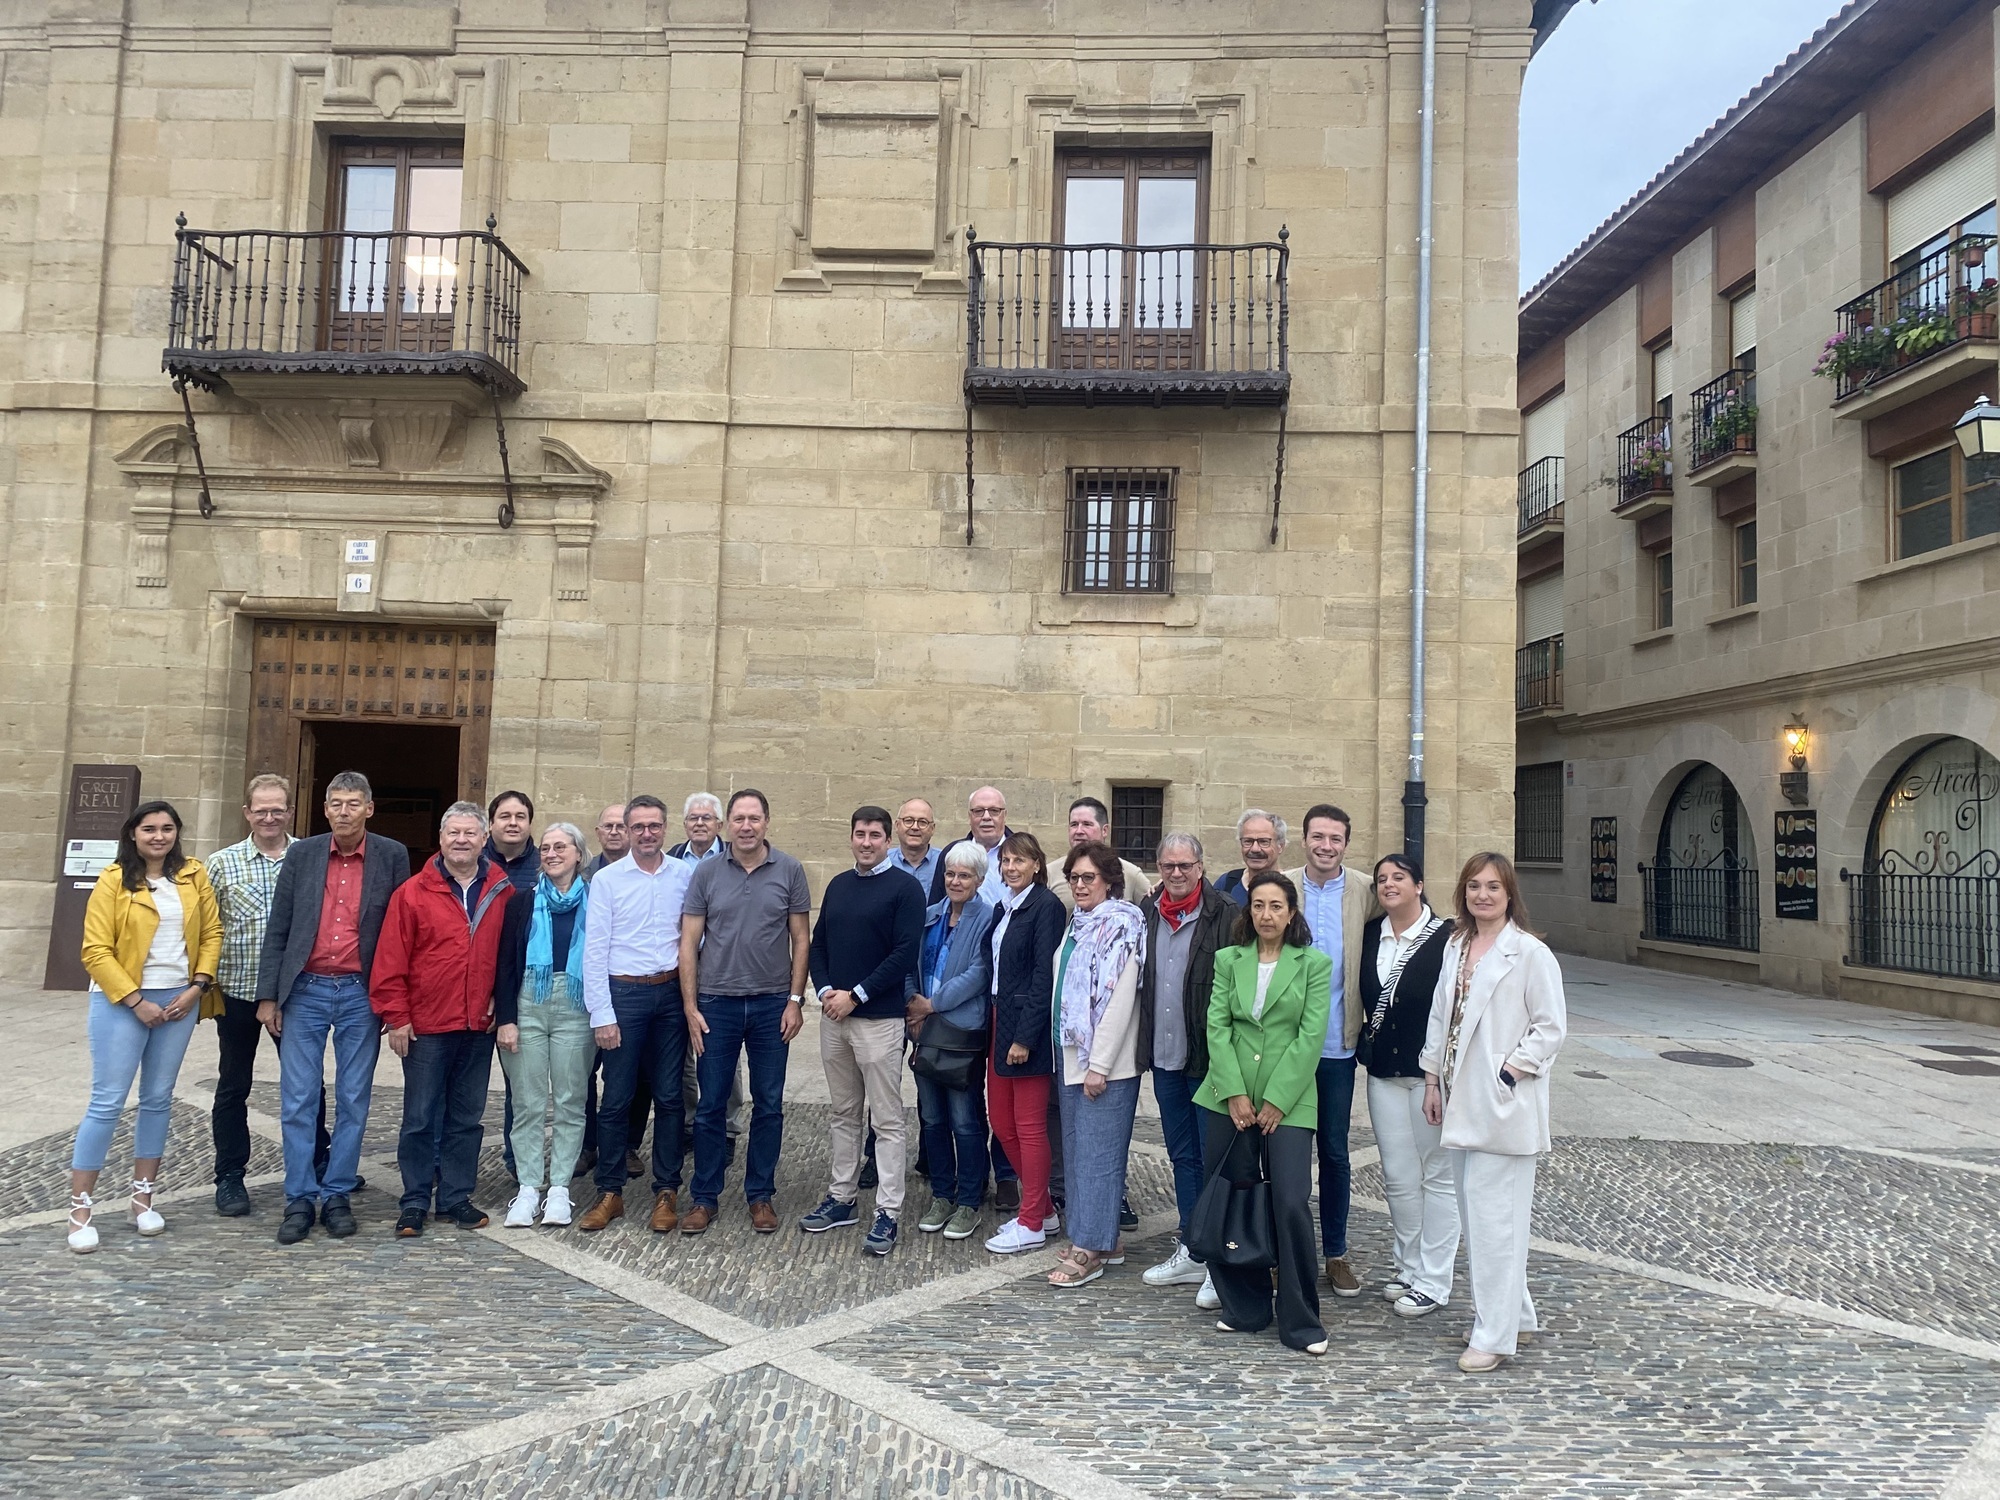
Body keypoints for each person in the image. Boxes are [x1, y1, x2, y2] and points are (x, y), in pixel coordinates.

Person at [1420, 853, 1567, 1374]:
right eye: (1474, 886)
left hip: (1502, 1105)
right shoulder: (1457, 945)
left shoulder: (1529, 953)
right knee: (1479, 1218)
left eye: (1493, 887)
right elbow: (1442, 1015)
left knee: (1495, 1225)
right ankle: (1515, 1315)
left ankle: (1494, 1334)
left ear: (1510, 895)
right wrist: (1433, 1078)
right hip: (1461, 1099)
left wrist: (1511, 1070)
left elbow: (1551, 1027)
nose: (1483, 895)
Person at [257, 771, 411, 1246]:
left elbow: (402, 931)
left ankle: (339, 1192)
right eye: (336, 803)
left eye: (353, 803)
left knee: (353, 1098)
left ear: (369, 808)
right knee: (298, 1098)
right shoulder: (302, 855)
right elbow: (279, 924)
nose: (344, 811)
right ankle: (300, 1196)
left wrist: (395, 1001)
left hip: (360, 994)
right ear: (324, 809)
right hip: (303, 989)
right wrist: (268, 996)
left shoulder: (391, 855)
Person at [67, 801, 223, 1253]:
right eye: (150, 829)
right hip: (122, 1000)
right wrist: (135, 1001)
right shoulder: (113, 880)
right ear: (132, 833)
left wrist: (197, 987)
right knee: (108, 1100)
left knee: (157, 1100)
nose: (159, 836)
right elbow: (95, 950)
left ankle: (143, 1198)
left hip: (179, 999)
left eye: (168, 828)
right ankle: (80, 1207)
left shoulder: (194, 875)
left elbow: (212, 933)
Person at [1194, 871, 1332, 1355]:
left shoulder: (1314, 964)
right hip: (1227, 1096)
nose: (1266, 915)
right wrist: (1233, 1091)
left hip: (1288, 1100)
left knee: (1290, 1201)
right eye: (1258, 906)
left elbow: (1311, 1035)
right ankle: (1245, 1307)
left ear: (1291, 913)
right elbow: (1216, 1024)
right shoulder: (1229, 960)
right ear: (1247, 911)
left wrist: (1276, 1099)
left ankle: (1300, 1319)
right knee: (1233, 1194)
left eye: (1276, 906)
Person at [372, 802, 515, 1237]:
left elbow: (509, 958)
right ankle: (414, 1200)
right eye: (454, 833)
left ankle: (455, 1197)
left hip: (477, 1024)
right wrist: (396, 1017)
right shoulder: (412, 893)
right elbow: (390, 960)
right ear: (440, 838)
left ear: (483, 839)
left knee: (466, 1118)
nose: (461, 840)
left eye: (470, 833)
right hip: (427, 1024)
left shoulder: (502, 890)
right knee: (419, 1116)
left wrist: (501, 1003)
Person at [679, 789, 811, 1235]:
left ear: (767, 822)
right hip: (717, 1003)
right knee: (712, 1103)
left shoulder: (789, 870)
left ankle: (760, 1195)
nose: (746, 826)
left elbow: (801, 939)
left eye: (754, 818)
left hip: (773, 1003)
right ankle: (704, 1196)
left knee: (769, 1104)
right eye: (738, 818)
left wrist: (795, 1000)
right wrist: (690, 1006)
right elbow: (689, 942)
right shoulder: (707, 873)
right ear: (726, 824)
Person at [205, 772, 331, 1218]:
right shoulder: (221, 863)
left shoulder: (310, 857)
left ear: (290, 812)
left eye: (278, 809)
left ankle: (320, 1161)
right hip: (237, 992)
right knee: (233, 1084)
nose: (270, 817)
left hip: (293, 994)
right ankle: (230, 1176)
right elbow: (207, 926)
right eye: (262, 810)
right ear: (248, 813)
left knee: (306, 1084)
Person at [801, 806, 926, 1255]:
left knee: (887, 1120)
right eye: (860, 834)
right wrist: (827, 991)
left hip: (879, 1021)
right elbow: (820, 945)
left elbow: (905, 953)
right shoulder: (838, 885)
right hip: (836, 1019)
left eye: (875, 834)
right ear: (851, 838)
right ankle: (842, 1198)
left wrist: (856, 994)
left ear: (888, 839)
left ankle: (888, 1212)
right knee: (843, 1113)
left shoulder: (906, 889)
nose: (867, 842)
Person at [575, 794, 694, 1233]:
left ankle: (666, 1190)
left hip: (668, 996)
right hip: (622, 995)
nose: (646, 833)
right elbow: (594, 949)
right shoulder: (607, 880)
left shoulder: (683, 876)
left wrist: (689, 1000)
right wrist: (601, 1014)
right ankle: (610, 1191)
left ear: (666, 829)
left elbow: (694, 939)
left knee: (668, 1097)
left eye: (654, 826)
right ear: (625, 831)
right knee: (617, 1098)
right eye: (638, 826)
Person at [1135, 831, 1236, 1305]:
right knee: (1181, 1155)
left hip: (1207, 1059)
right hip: (1165, 1057)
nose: (1177, 874)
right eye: (1169, 866)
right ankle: (1192, 1246)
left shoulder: (1226, 915)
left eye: (1185, 866)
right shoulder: (1147, 913)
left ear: (1201, 866)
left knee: (1216, 1159)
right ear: (1159, 867)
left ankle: (1219, 1257)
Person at [1356, 852, 1457, 1318]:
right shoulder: (1371, 935)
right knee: (1398, 1177)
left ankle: (1434, 1280)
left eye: (1399, 877)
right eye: (1382, 879)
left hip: (1429, 1075)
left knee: (1437, 1176)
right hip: (1383, 1073)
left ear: (1419, 885)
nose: (1389, 884)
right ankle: (1407, 1268)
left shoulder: (1448, 937)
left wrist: (1438, 1072)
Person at [1046, 841, 1146, 1289]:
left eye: (1089, 877)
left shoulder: (1124, 922)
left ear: (1109, 880)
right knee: (1079, 1153)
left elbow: (1121, 999)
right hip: (1070, 1055)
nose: (1080, 885)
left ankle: (1088, 1249)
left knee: (1098, 1156)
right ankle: (1103, 1239)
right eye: (1074, 878)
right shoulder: (1078, 922)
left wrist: (1099, 1064)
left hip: (1104, 1062)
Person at [1287, 802, 1373, 1298]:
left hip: (1337, 1047)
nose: (1326, 846)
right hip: (1284, 1048)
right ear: (1305, 839)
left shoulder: (1363, 889)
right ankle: (1286, 1250)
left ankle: (1336, 1252)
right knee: (1286, 1155)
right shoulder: (1282, 886)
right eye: (1317, 836)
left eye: (1335, 838)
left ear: (1346, 842)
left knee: (1335, 1152)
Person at [494, 822, 593, 1228]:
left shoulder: (598, 901)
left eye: (561, 847)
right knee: (528, 1102)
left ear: (578, 855)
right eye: (546, 848)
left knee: (571, 1100)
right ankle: (529, 1186)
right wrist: (506, 1020)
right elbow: (504, 964)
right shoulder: (521, 901)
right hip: (529, 1002)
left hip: (577, 1004)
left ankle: (560, 1190)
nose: (551, 853)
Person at [906, 842, 997, 1240]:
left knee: (964, 1119)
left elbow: (980, 971)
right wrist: (913, 1004)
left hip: (960, 1032)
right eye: (950, 874)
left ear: (979, 880)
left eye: (964, 875)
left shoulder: (988, 918)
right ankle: (942, 1194)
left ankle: (969, 1201)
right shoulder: (929, 917)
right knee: (931, 1117)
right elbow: (909, 963)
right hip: (923, 1031)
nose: (955, 881)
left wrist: (933, 1004)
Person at [981, 832, 1065, 1255]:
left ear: (1037, 865)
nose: (1011, 867)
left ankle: (1031, 1221)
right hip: (999, 1020)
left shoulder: (1045, 906)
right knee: (1003, 1122)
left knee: (1029, 1127)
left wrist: (1025, 1037)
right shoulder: (1004, 906)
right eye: (1007, 861)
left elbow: (1042, 977)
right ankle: (1044, 1209)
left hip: (1024, 1030)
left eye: (1020, 860)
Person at [1051, 798, 1153, 913]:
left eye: (1087, 824)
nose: (1079, 831)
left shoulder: (1131, 873)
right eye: (1074, 824)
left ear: (1104, 830)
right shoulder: (1050, 873)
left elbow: (1153, 912)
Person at [929, 785, 1012, 906]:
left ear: (1004, 816)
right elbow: (936, 904)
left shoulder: (1023, 853)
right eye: (978, 811)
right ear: (969, 817)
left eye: (994, 811)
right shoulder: (951, 852)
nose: (986, 817)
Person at [1215, 810, 1287, 906]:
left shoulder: (1292, 887)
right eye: (1248, 841)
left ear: (1280, 846)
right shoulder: (1227, 884)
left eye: (1264, 841)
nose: (1255, 849)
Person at [485, 790, 540, 893]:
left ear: (530, 825)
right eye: (505, 816)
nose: (513, 823)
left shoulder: (543, 866)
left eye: (520, 817)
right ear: (491, 824)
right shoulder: (474, 861)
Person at [886, 797, 940, 893]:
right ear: (897, 826)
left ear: (932, 829)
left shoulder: (945, 862)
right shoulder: (884, 862)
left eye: (923, 822)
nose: (915, 827)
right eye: (908, 821)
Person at [668, 792, 724, 865]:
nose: (699, 823)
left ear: (719, 826)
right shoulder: (672, 856)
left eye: (706, 818)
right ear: (685, 825)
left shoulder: (733, 856)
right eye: (693, 818)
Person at [585, 803, 628, 878]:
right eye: (608, 826)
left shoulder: (646, 870)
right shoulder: (582, 871)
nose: (613, 832)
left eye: (621, 826)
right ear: (598, 833)